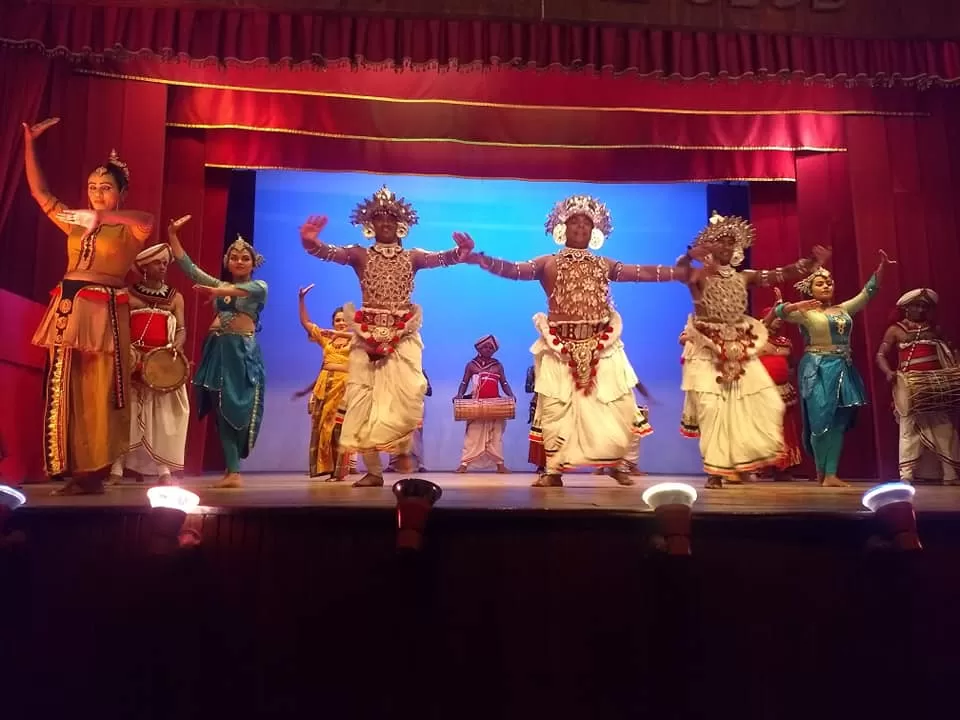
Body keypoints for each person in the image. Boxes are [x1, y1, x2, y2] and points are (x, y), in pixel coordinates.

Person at [465, 194, 711, 487]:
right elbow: (513, 270)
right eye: (574, 222)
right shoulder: (547, 263)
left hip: (602, 346)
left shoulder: (603, 264)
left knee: (615, 407)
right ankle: (553, 470)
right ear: (562, 228)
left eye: (586, 223)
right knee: (556, 411)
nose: (580, 227)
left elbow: (642, 272)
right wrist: (479, 258)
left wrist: (681, 273)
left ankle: (616, 463)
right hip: (560, 349)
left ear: (595, 232)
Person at [299, 186, 473, 487]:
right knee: (362, 401)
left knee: (408, 395)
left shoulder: (413, 256)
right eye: (379, 218)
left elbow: (441, 259)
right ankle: (373, 471)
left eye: (391, 218)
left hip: (403, 335)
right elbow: (330, 252)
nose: (386, 223)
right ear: (370, 224)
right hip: (366, 336)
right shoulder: (359, 254)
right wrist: (311, 244)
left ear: (401, 224)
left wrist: (461, 252)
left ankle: (403, 451)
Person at [22, 117, 155, 494]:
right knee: (66, 386)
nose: (97, 194)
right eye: (92, 188)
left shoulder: (128, 225)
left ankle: (97, 469)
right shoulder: (76, 223)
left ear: (121, 192)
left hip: (106, 309)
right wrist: (29, 144)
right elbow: (39, 193)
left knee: (101, 389)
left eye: (106, 188)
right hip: (69, 307)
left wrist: (100, 217)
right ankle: (72, 469)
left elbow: (147, 220)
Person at [679, 212, 830, 488]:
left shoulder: (745, 276)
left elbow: (780, 274)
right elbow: (682, 270)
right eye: (719, 242)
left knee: (764, 403)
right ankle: (714, 471)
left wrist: (811, 264)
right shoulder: (699, 275)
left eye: (730, 243)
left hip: (739, 347)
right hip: (707, 347)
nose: (725, 247)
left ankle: (740, 462)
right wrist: (690, 255)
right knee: (712, 411)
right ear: (710, 247)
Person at [775, 251, 894, 487]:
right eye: (820, 283)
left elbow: (867, 294)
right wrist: (791, 305)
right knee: (820, 420)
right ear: (810, 289)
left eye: (829, 281)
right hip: (817, 368)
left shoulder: (843, 309)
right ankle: (821, 471)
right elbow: (779, 313)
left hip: (842, 367)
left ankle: (831, 473)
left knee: (839, 420)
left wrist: (882, 269)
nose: (827, 285)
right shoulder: (805, 313)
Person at [168, 217, 267, 489]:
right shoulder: (220, 286)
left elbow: (239, 291)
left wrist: (216, 290)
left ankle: (235, 468)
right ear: (227, 262)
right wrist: (172, 235)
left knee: (238, 406)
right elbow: (189, 268)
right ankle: (232, 471)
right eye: (234, 257)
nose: (239, 261)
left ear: (253, 262)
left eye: (245, 257)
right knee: (220, 409)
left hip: (240, 354)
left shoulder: (259, 288)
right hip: (216, 351)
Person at [108, 243, 189, 485]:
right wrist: (129, 354)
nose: (163, 267)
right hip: (133, 360)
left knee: (162, 415)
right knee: (128, 413)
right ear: (144, 267)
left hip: (162, 364)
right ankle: (118, 468)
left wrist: (176, 346)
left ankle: (163, 470)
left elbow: (182, 329)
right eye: (158, 262)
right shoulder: (128, 295)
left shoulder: (175, 297)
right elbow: (118, 329)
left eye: (165, 263)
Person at [875, 287, 960, 485]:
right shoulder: (895, 330)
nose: (921, 310)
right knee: (909, 430)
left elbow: (953, 350)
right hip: (910, 387)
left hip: (936, 387)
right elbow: (880, 355)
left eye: (925, 307)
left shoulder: (935, 329)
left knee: (944, 429)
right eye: (917, 306)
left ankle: (949, 474)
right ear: (906, 308)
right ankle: (907, 475)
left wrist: (955, 371)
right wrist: (889, 372)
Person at [293, 286, 355, 480]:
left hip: (343, 387)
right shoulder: (327, 339)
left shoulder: (355, 340)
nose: (341, 323)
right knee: (322, 428)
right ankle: (327, 468)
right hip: (324, 385)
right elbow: (306, 323)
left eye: (345, 320)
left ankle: (340, 472)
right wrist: (301, 299)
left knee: (338, 428)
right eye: (337, 320)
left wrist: (342, 334)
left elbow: (361, 338)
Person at [757, 287, 802, 481]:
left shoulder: (786, 342)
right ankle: (763, 467)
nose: (777, 321)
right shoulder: (755, 340)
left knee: (785, 430)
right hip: (761, 392)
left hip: (783, 391)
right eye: (773, 317)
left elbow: (792, 365)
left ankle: (783, 468)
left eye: (779, 318)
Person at [455, 335, 515, 473]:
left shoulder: (497, 365)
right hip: (476, 404)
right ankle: (464, 464)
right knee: (472, 434)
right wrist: (459, 394)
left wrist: (511, 395)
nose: (488, 349)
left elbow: (504, 383)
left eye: (491, 348)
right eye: (485, 347)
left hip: (494, 405)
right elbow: (464, 382)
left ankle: (500, 465)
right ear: (478, 348)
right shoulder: (471, 365)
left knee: (496, 435)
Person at [594, 378, 654, 477]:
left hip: (623, 402)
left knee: (634, 433)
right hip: (605, 402)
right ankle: (601, 466)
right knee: (606, 436)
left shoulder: (620, 364)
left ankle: (630, 465)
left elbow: (635, 380)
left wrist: (647, 396)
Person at [386, 371, 431, 473]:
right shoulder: (396, 371)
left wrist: (418, 387)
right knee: (395, 435)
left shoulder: (420, 371)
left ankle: (420, 464)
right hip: (398, 405)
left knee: (416, 436)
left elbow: (429, 391)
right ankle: (393, 464)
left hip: (416, 406)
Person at [525, 365, 546, 473]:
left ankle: (556, 465)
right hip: (539, 403)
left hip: (557, 403)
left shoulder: (560, 366)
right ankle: (541, 465)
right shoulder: (533, 369)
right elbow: (528, 388)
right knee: (540, 436)